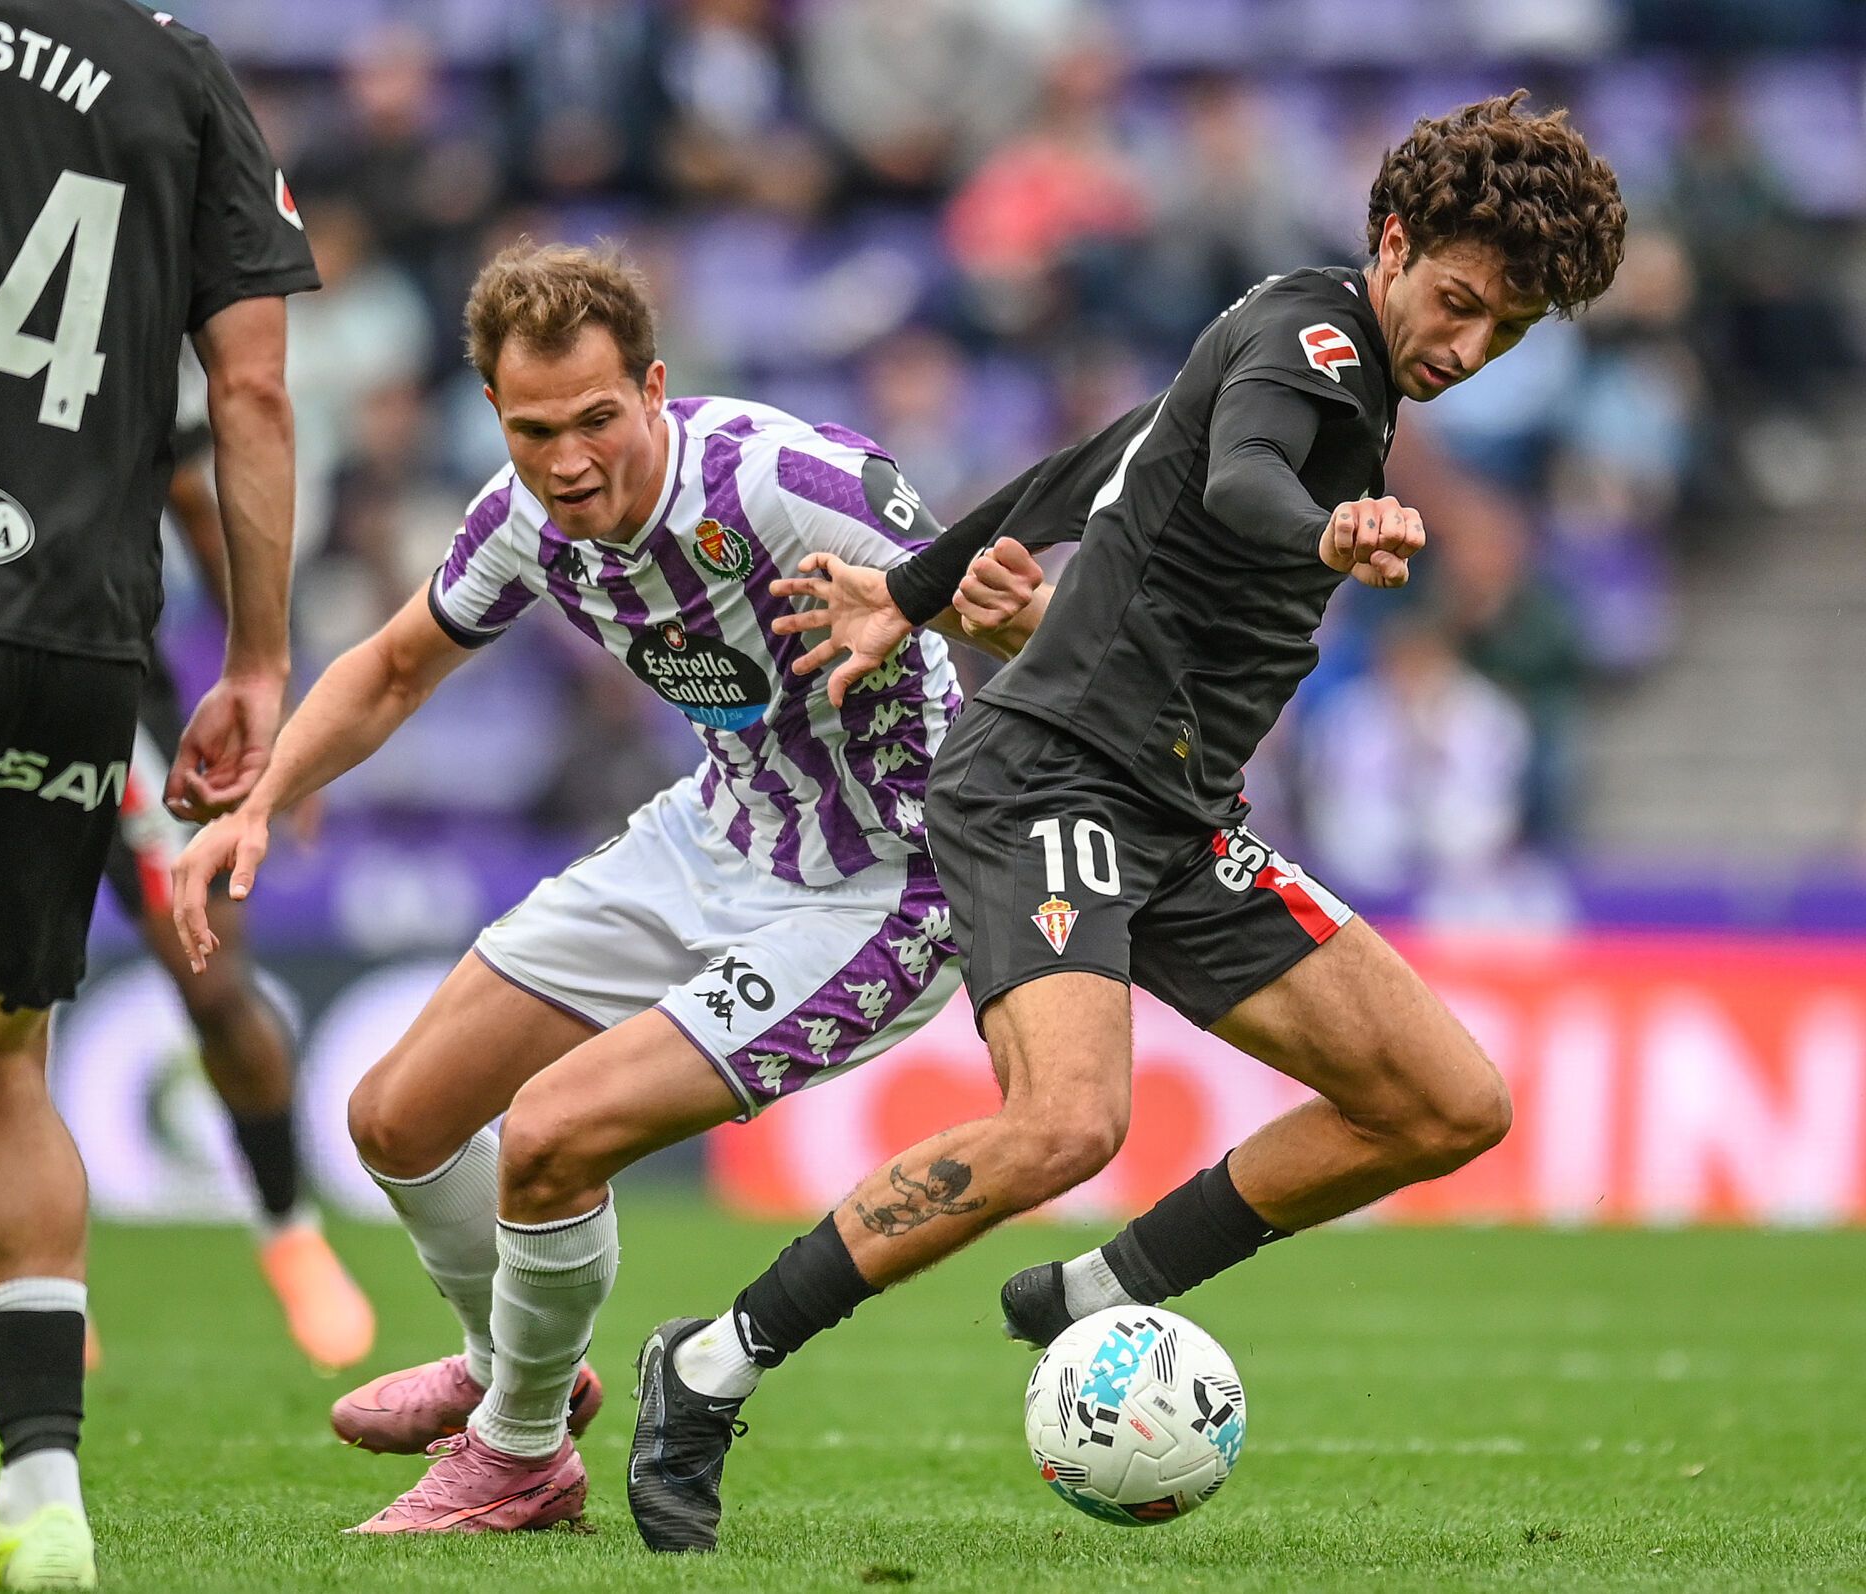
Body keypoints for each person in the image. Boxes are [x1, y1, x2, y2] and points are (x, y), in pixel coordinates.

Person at [629, 92, 1627, 1554]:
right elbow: (1235, 481)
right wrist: (1330, 529)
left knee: (1446, 1103)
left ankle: (1093, 1295)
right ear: (1395, 242)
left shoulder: (1300, 354)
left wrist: (909, 591)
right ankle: (706, 1366)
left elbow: (1105, 461)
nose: (1471, 346)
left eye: (1512, 329)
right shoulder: (1319, 347)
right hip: (1052, 776)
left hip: (1171, 809)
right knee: (1067, 1121)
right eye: (1463, 301)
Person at [170, 242, 1043, 1536]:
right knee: (396, 1119)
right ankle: (509, 1366)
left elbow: (1011, 620)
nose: (569, 459)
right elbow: (399, 665)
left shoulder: (786, 482)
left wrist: (1005, 620)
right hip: (721, 826)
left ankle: (517, 1453)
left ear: (654, 386)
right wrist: (257, 797)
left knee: (554, 1131)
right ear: (495, 416)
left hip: (896, 876)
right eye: (533, 429)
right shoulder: (521, 517)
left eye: (596, 419)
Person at [0, 3, 317, 1584]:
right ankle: (44, 1503)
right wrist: (258, 661)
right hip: (77, 633)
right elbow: (250, 396)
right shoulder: (179, 68)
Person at [104, 403, 374, 1372]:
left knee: (215, 984)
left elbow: (194, 491)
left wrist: (266, 679)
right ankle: (24, 1289)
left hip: (112, 697)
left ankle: (289, 1226)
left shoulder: (115, 297)